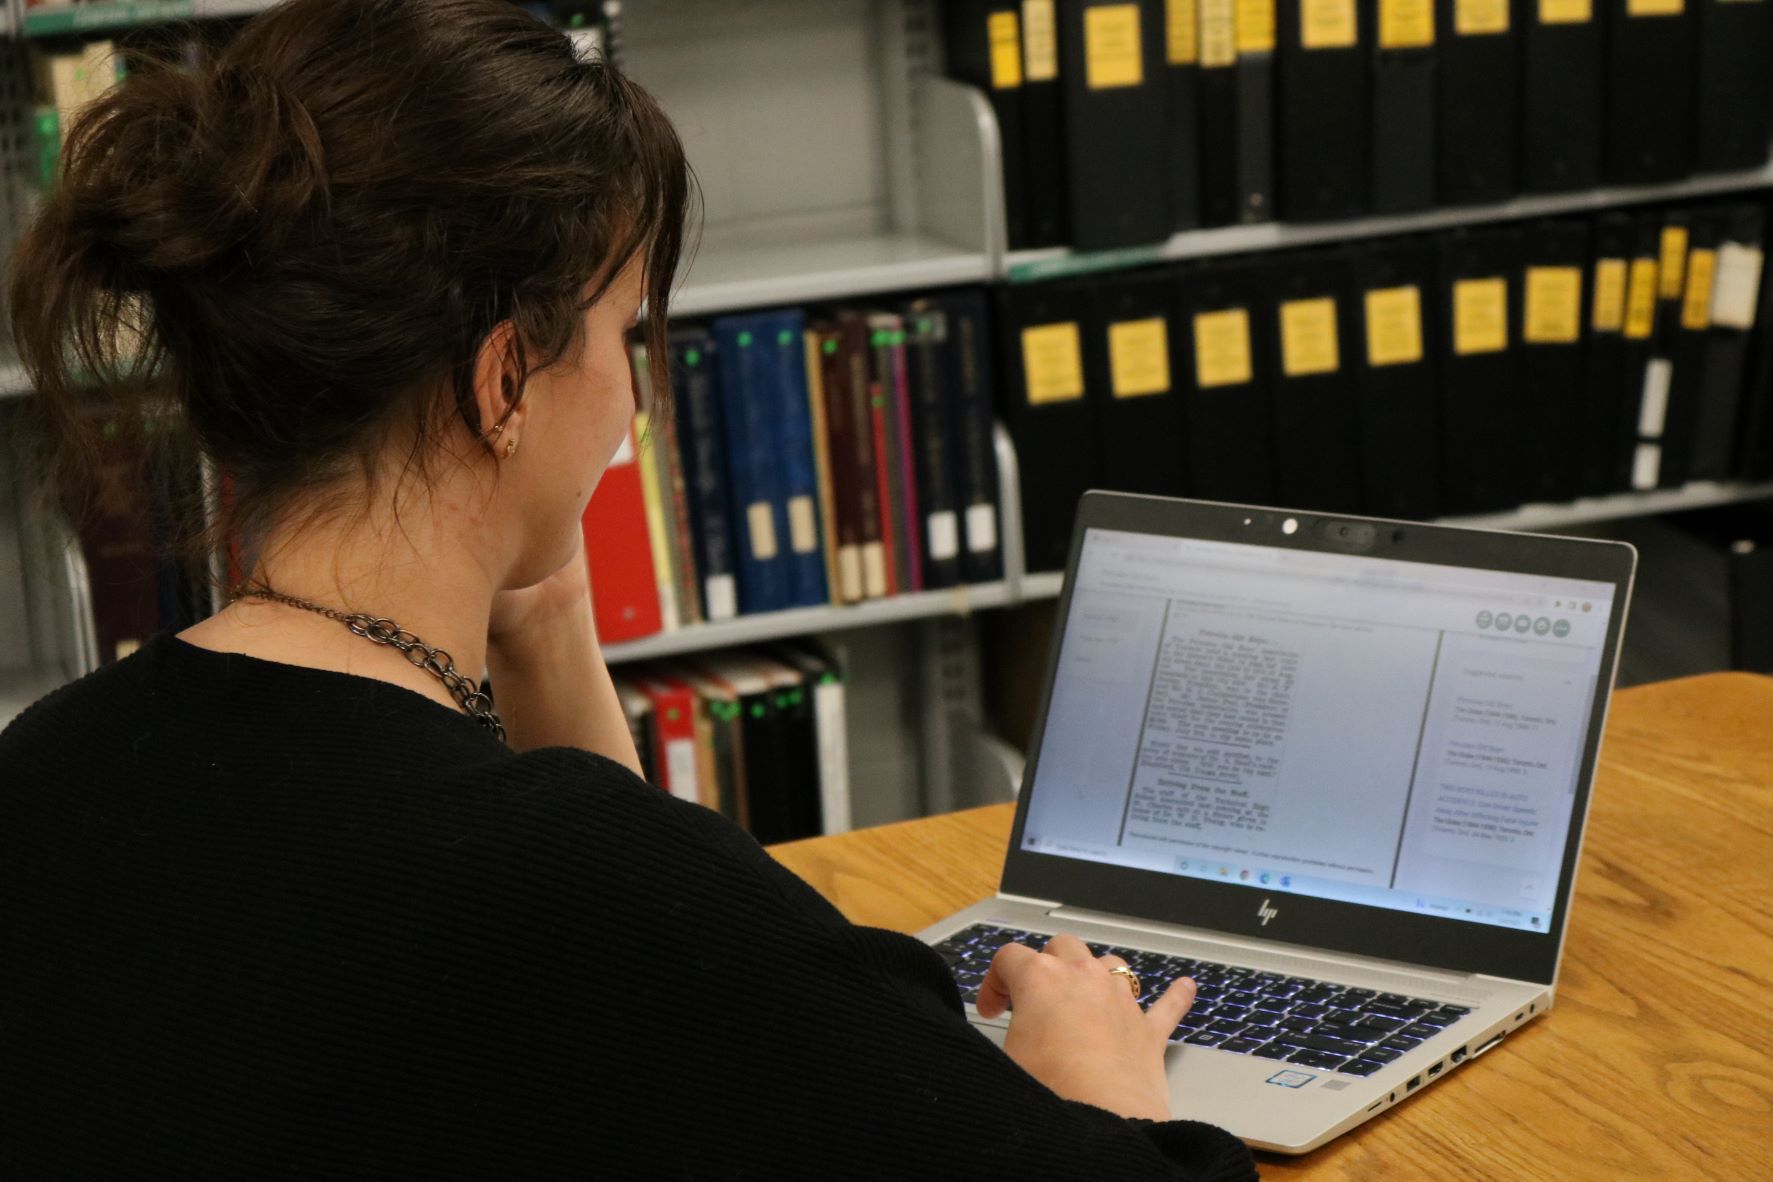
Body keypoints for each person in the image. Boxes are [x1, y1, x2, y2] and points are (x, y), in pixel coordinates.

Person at [0, 2, 1256, 1177]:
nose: (633, 399)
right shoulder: (576, 889)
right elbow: (658, 940)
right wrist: (1097, 1093)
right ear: (502, 384)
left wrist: (540, 614)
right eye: (619, 335)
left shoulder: (49, 762)